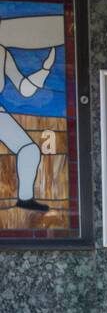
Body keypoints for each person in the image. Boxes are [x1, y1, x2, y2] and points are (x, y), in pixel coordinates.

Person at [0, 42, 57, 214]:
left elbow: (24, 89)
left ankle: (25, 198)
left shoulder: (2, 53)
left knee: (30, 150)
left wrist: (44, 70)